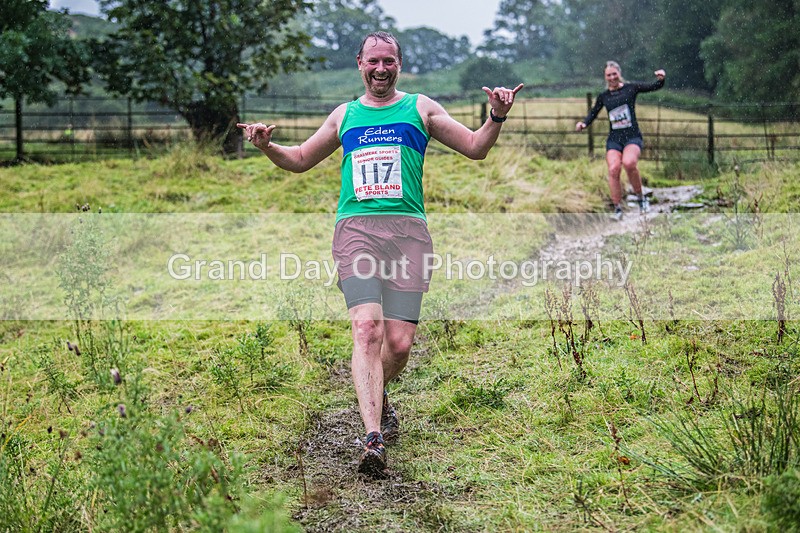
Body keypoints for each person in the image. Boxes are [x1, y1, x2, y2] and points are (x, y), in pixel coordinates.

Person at [238, 31, 523, 478]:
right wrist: (266, 146)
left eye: (389, 61)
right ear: (360, 64)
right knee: (366, 327)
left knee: (399, 345)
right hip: (356, 233)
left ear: (398, 65)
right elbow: (298, 158)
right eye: (373, 61)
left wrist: (496, 116)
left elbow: (475, 148)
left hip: (409, 235)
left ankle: (376, 393)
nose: (381, 69)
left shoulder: (421, 108)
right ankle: (373, 437)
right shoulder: (344, 115)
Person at [575, 61, 665, 220]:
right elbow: (594, 112)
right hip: (614, 139)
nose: (612, 77)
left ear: (619, 74)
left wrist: (660, 79)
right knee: (613, 169)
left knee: (629, 163)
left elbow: (653, 87)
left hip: (632, 136)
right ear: (605, 77)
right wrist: (584, 123)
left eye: (614, 74)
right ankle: (617, 208)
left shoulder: (630, 88)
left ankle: (640, 198)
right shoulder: (604, 96)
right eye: (608, 75)